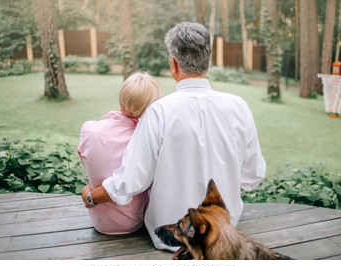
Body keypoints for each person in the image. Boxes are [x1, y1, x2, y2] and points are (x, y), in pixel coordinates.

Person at [81, 22, 266, 251]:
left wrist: (91, 197)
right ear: (207, 61)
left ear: (173, 64)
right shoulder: (239, 107)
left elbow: (131, 181)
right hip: (222, 233)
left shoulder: (159, 112)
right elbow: (253, 177)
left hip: (171, 237)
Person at [78, 72, 161, 235]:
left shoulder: (89, 130)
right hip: (134, 222)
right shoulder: (146, 140)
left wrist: (90, 189)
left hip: (100, 223)